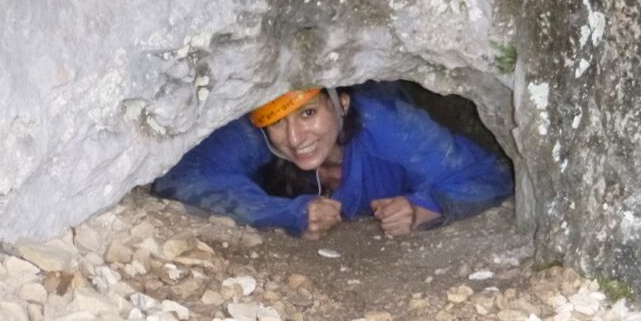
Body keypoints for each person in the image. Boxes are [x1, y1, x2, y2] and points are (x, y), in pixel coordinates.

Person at [151, 84, 513, 239]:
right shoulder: (259, 133)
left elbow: (491, 173)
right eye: (278, 121)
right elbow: (182, 177)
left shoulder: (389, 122)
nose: (294, 138)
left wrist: (422, 208)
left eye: (308, 113)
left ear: (341, 104)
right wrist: (285, 214)